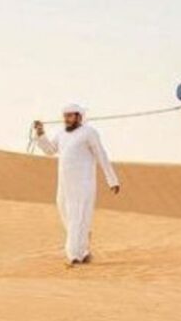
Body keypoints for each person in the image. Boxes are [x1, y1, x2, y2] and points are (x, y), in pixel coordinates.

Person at [32, 105, 120, 266]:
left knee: (77, 217)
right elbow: (50, 150)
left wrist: (112, 180)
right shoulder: (61, 134)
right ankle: (83, 247)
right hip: (65, 185)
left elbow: (102, 155)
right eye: (65, 116)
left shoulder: (89, 133)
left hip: (83, 184)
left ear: (79, 117)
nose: (67, 119)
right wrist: (40, 134)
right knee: (66, 213)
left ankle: (74, 256)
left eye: (70, 116)